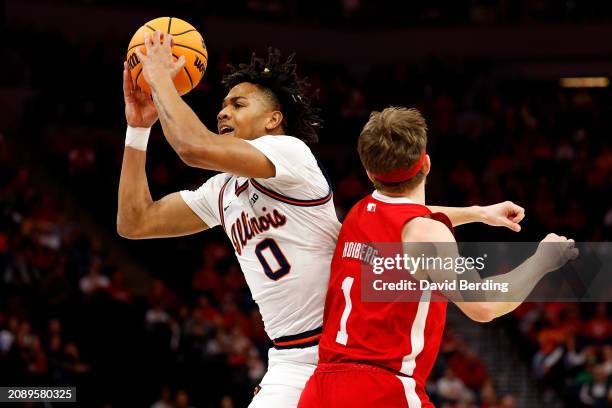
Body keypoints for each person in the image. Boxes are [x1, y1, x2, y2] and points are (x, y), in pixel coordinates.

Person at [118, 32, 529, 407]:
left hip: (337, 355)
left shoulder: (290, 155)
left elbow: (193, 147)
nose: (223, 113)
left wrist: (161, 78)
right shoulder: (221, 191)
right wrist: (137, 131)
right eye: (222, 105)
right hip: (287, 362)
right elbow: (135, 222)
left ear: (273, 120)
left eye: (238, 104)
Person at [298, 107, 578, 407]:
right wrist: (543, 260)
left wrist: (478, 213)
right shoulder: (429, 235)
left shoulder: (357, 214)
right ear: (427, 164)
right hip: (381, 389)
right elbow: (483, 306)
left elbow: (408, 217)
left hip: (321, 388)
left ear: (369, 172)